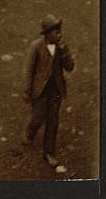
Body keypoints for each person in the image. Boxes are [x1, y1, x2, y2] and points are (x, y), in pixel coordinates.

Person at [23, 14, 75, 169]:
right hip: (39, 90)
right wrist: (26, 90)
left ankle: (49, 152)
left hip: (55, 89)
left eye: (59, 30)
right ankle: (30, 130)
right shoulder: (36, 47)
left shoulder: (61, 47)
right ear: (46, 34)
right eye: (54, 31)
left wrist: (64, 50)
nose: (58, 34)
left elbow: (70, 66)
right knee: (38, 117)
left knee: (53, 121)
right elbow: (29, 69)